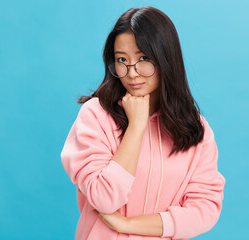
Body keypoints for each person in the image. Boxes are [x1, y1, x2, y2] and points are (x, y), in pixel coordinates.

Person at [60, 6, 226, 240]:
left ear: (166, 59)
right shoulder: (95, 116)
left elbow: (205, 209)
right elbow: (105, 198)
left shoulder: (194, 128)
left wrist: (128, 225)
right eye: (122, 60)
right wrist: (136, 126)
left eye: (143, 58)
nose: (132, 72)